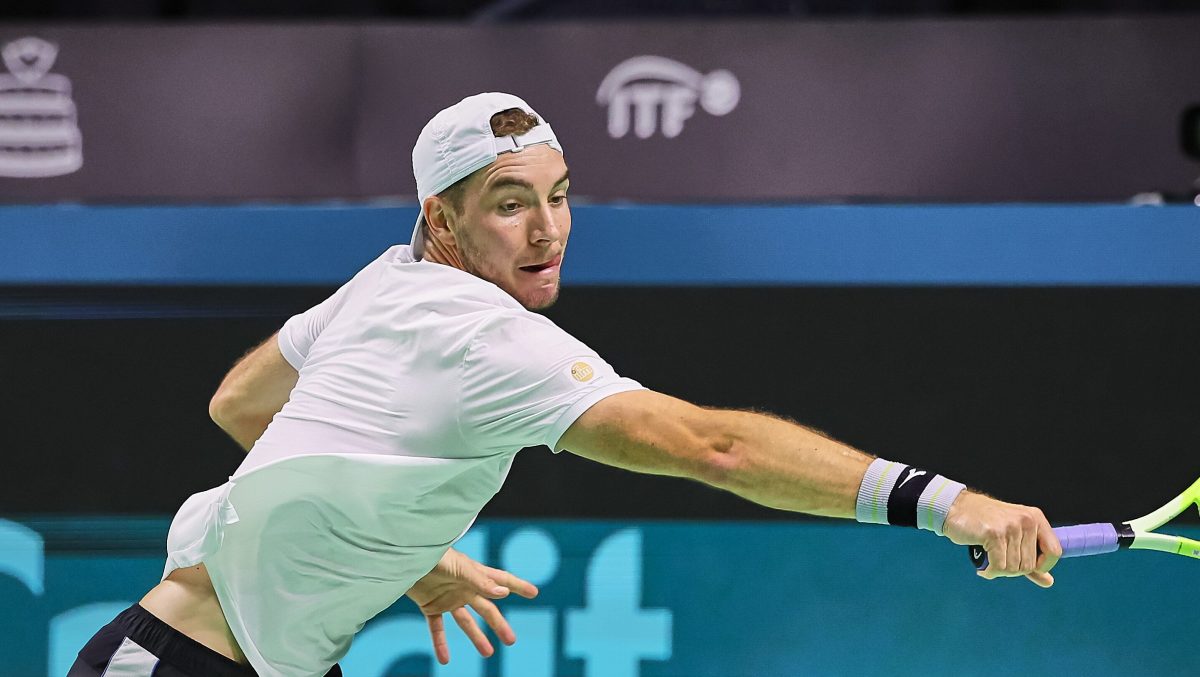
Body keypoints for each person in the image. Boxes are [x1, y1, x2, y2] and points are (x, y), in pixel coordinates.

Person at [70, 92, 1062, 677]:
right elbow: (714, 447)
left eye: (558, 195)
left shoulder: (390, 278)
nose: (547, 229)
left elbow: (240, 403)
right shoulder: (488, 339)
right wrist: (951, 503)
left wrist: (406, 548)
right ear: (445, 219)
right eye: (510, 204)